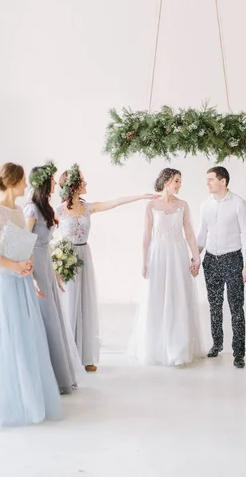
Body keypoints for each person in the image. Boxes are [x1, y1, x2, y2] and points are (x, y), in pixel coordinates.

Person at [0, 162, 62, 427]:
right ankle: (6, 398)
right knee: (4, 336)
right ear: (13, 182)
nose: (27, 185)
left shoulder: (16, 211)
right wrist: (15, 266)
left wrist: (29, 264)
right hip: (3, 282)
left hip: (21, 280)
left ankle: (25, 397)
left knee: (24, 337)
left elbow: (20, 244)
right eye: (23, 180)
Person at [56, 163, 157, 372]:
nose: (86, 183)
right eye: (82, 180)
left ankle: (85, 356)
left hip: (84, 255)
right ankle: (66, 356)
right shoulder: (58, 211)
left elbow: (116, 202)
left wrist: (141, 196)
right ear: (72, 185)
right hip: (66, 259)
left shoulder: (87, 207)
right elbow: (41, 230)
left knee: (84, 303)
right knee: (68, 305)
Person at [129, 168, 204, 366]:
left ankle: (178, 347)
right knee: (157, 295)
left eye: (180, 181)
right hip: (159, 254)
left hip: (178, 254)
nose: (179, 185)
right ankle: (155, 346)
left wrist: (196, 257)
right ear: (166, 181)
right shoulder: (151, 205)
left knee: (177, 295)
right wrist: (144, 262)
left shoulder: (183, 205)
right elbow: (146, 236)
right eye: (176, 181)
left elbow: (189, 233)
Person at [24, 161, 81, 394]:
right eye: (52, 179)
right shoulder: (31, 209)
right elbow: (25, 242)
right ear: (43, 182)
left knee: (53, 317)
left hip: (45, 263)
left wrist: (55, 273)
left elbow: (45, 244)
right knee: (43, 316)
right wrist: (32, 275)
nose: (56, 183)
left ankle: (58, 376)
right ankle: (43, 378)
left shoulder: (45, 206)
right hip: (35, 264)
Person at [197, 166, 246, 368]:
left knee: (236, 307)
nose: (208, 183)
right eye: (207, 179)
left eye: (211, 179)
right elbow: (202, 234)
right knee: (214, 305)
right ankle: (217, 344)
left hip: (233, 260)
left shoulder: (239, 204)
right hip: (211, 260)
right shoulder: (205, 205)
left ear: (223, 181)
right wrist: (196, 258)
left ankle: (239, 353)